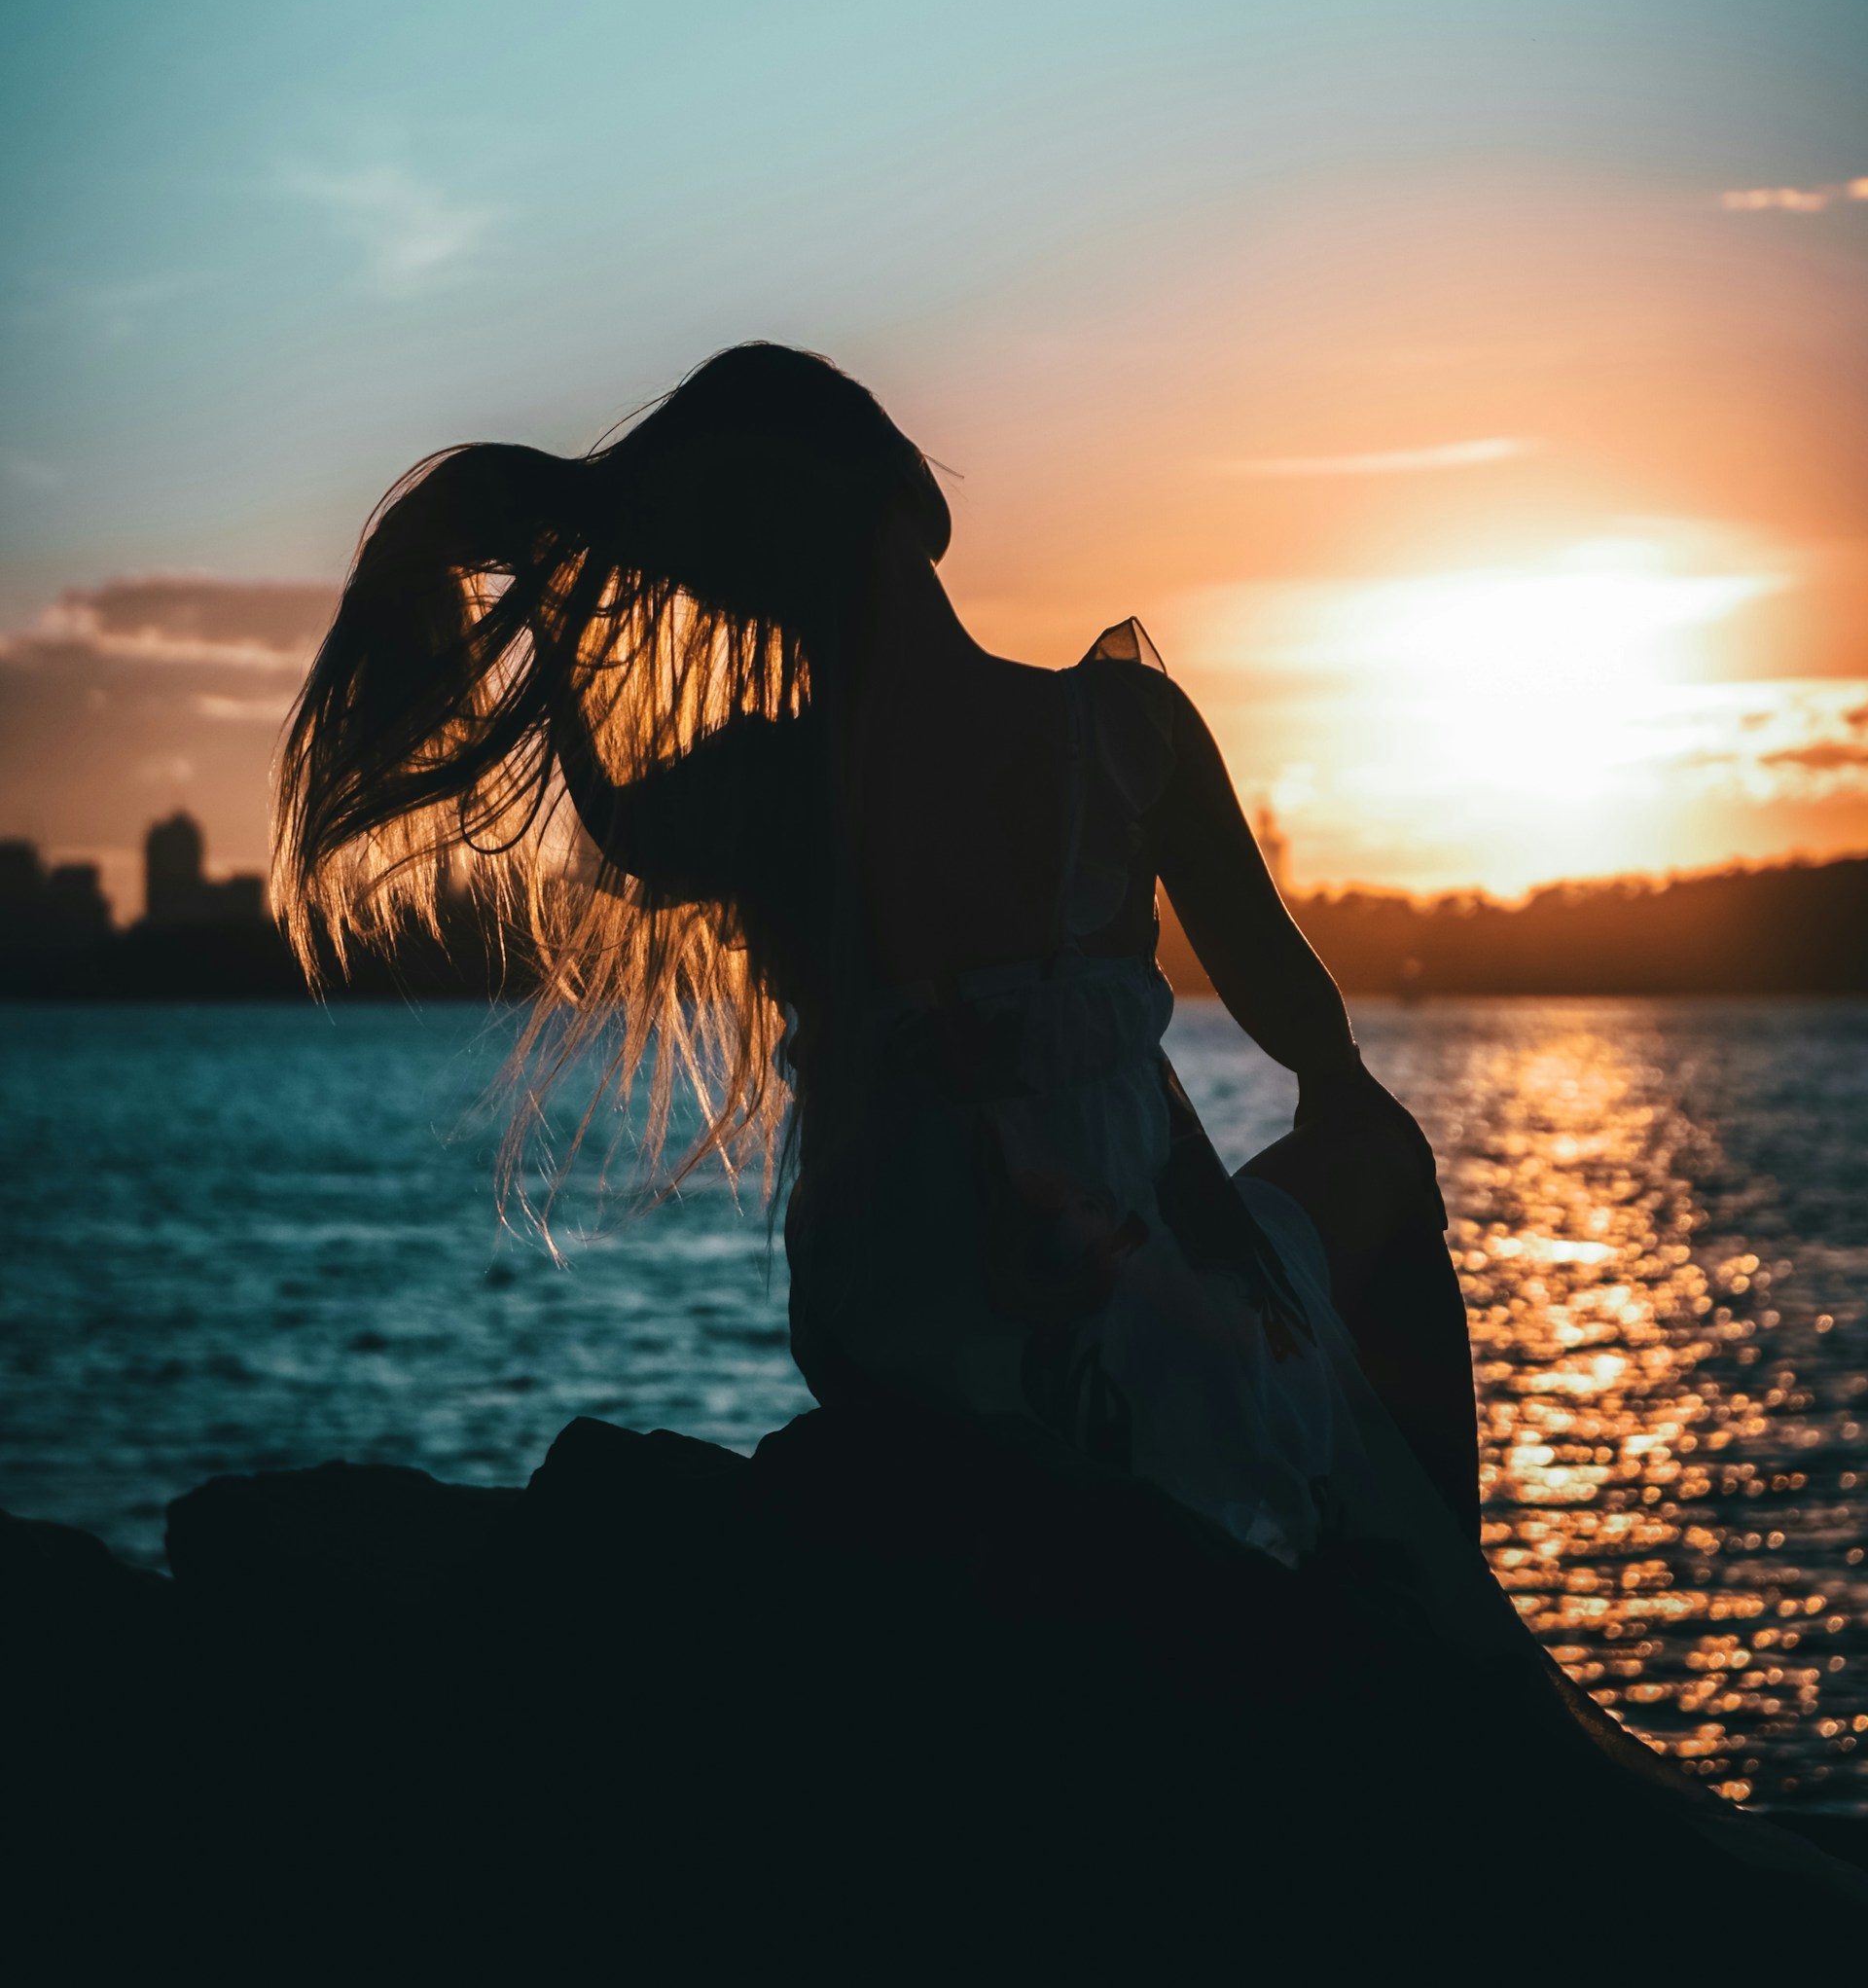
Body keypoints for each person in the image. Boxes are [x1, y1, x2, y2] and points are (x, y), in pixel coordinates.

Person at [273, 341, 1861, 1942]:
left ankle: (1352, 1581)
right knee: (1379, 1169)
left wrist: (549, 617)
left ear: (750, 571)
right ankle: (1424, 1602)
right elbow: (1289, 1001)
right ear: (909, 495)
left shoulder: (768, 781)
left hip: (889, 1306)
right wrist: (1330, 1103)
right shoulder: (1125, 731)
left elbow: (617, 842)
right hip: (1116, 1297)